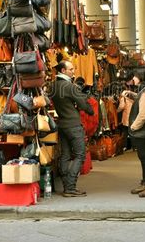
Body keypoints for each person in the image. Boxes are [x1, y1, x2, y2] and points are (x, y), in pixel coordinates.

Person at [51, 60, 94, 197]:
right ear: (63, 71)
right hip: (74, 125)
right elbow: (83, 104)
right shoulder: (69, 86)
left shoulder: (53, 86)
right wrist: (90, 109)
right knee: (80, 155)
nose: (73, 71)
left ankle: (66, 186)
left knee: (65, 155)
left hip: (62, 124)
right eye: (70, 69)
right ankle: (70, 186)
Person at [124, 67, 145, 197]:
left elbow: (143, 114)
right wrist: (133, 95)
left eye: (136, 76)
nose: (133, 78)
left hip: (143, 131)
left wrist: (133, 127)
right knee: (144, 157)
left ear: (141, 77)